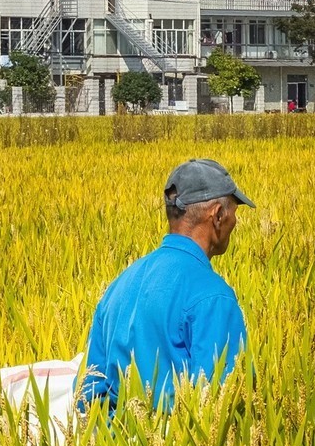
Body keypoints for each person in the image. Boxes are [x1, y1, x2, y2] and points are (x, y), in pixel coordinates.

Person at [82, 159, 255, 412]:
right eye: (234, 215)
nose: (234, 224)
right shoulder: (214, 298)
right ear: (218, 215)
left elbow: (88, 392)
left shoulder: (120, 285)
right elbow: (222, 408)